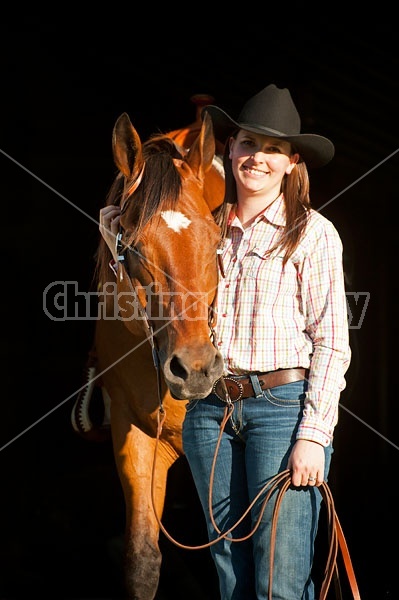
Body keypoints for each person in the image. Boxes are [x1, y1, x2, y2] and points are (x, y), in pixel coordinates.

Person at [99, 84, 351, 600]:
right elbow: (153, 241)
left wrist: (314, 435)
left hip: (281, 410)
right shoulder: (208, 227)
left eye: (273, 150)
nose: (257, 157)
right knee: (229, 574)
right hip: (213, 413)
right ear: (229, 150)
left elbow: (332, 341)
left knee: (278, 577)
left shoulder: (314, 234)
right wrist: (115, 223)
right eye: (247, 144)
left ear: (290, 163)